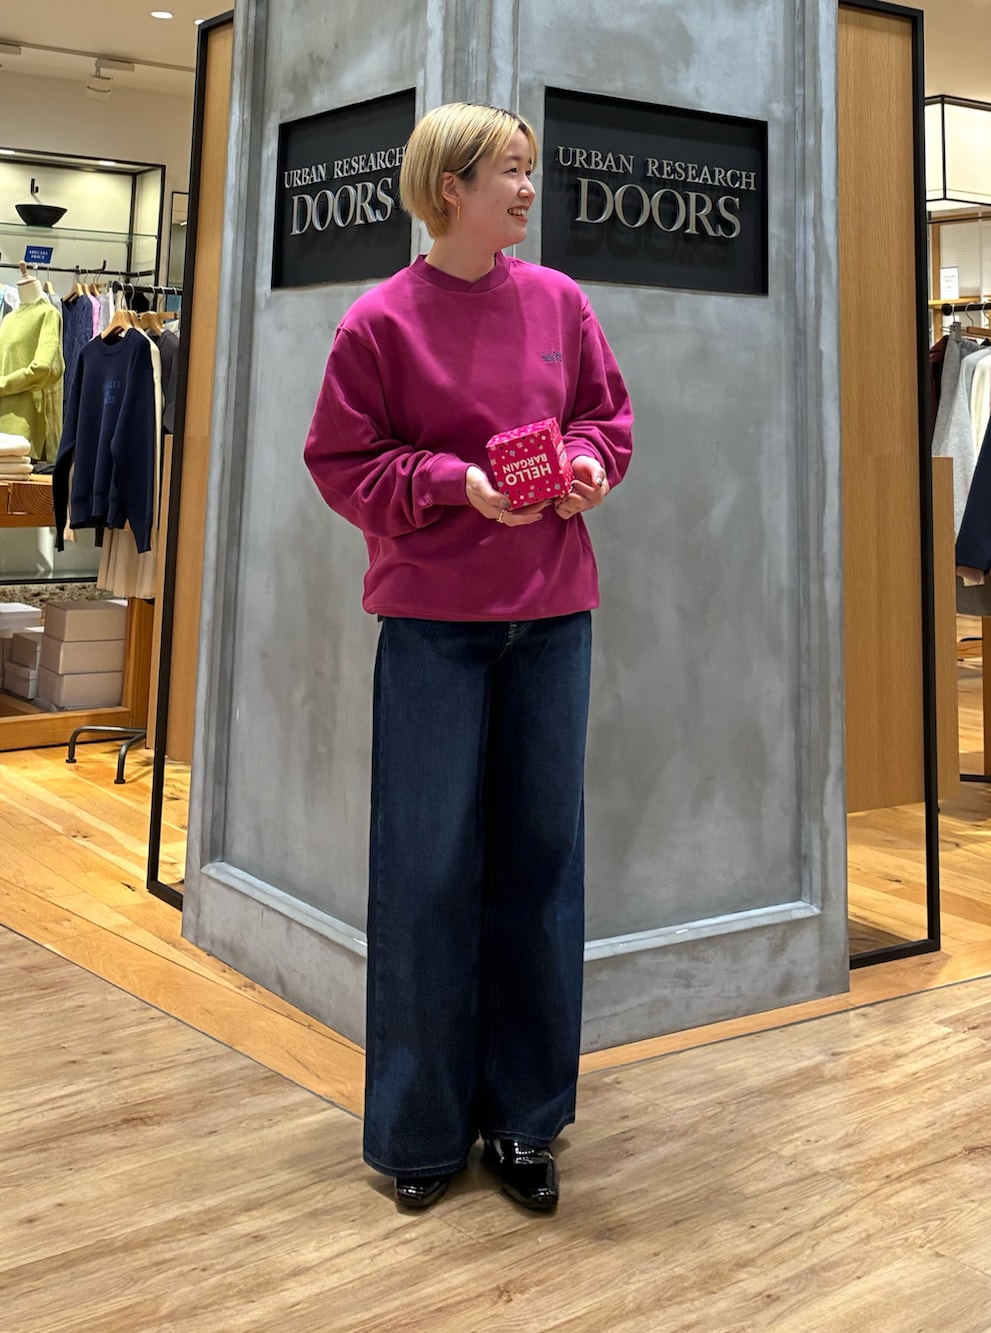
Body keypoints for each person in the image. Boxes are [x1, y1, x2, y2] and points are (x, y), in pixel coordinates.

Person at [303, 102, 633, 1212]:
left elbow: (606, 418)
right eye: (511, 171)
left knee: (541, 868)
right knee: (426, 871)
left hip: (555, 618)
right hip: (435, 628)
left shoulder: (560, 303)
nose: (530, 189)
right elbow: (344, 464)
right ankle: (420, 1129)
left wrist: (586, 468)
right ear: (450, 186)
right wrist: (458, 484)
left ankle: (528, 1121)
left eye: (532, 170)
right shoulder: (377, 324)